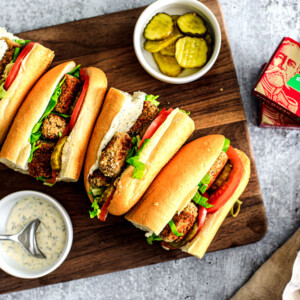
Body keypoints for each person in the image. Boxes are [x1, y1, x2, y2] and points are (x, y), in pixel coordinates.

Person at [255, 39, 300, 114]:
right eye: (280, 57)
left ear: (295, 72)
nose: (283, 66)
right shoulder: (260, 87)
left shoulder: (288, 103)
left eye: (291, 64)